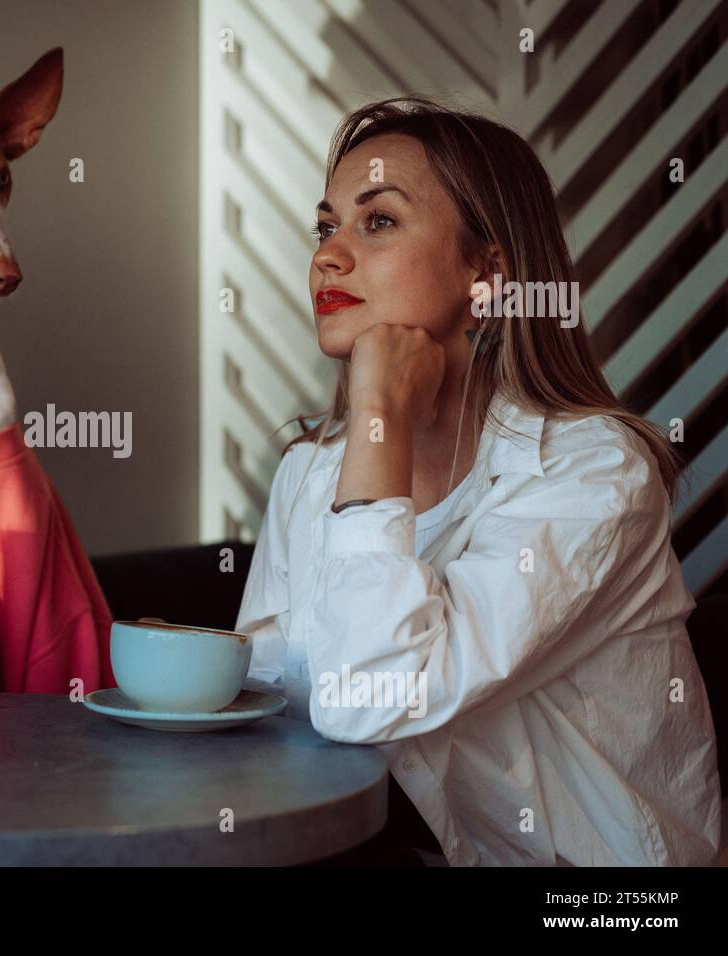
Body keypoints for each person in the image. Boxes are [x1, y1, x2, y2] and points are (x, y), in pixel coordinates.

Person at [236, 98, 722, 866]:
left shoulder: (592, 473)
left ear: (489, 271)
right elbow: (269, 712)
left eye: (379, 221)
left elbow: (374, 697)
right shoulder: (311, 473)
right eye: (326, 226)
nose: (328, 255)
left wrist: (380, 420)